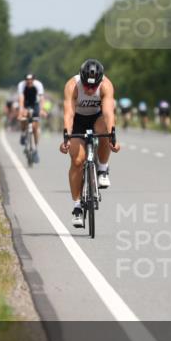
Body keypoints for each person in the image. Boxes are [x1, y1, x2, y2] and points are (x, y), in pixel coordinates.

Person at [59, 59, 121, 227]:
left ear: (100, 82)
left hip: (97, 118)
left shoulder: (106, 85)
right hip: (78, 119)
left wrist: (113, 137)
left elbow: (108, 113)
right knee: (77, 160)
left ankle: (102, 169)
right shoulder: (72, 85)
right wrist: (66, 137)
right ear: (81, 79)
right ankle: (77, 207)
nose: (90, 89)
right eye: (87, 85)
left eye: (94, 87)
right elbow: (69, 114)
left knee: (104, 131)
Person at [17, 73, 45, 162]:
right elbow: (21, 98)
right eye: (27, 81)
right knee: (23, 117)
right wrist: (21, 110)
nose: (29, 83)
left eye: (31, 81)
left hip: (35, 104)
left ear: (33, 80)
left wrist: (42, 110)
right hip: (25, 103)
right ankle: (22, 133)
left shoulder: (38, 85)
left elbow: (41, 98)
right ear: (25, 81)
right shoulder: (21, 85)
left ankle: (35, 149)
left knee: (35, 127)